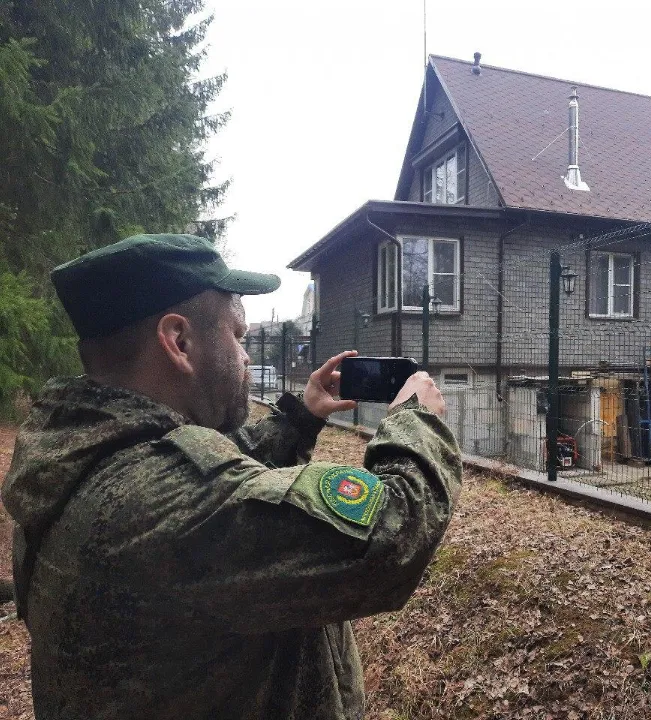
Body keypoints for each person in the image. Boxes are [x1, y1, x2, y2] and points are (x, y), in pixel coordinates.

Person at [1, 233, 462, 720]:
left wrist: (298, 421)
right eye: (237, 334)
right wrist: (417, 421)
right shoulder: (166, 503)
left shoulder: (77, 457)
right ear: (179, 341)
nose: (245, 356)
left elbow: (203, 466)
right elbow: (391, 536)